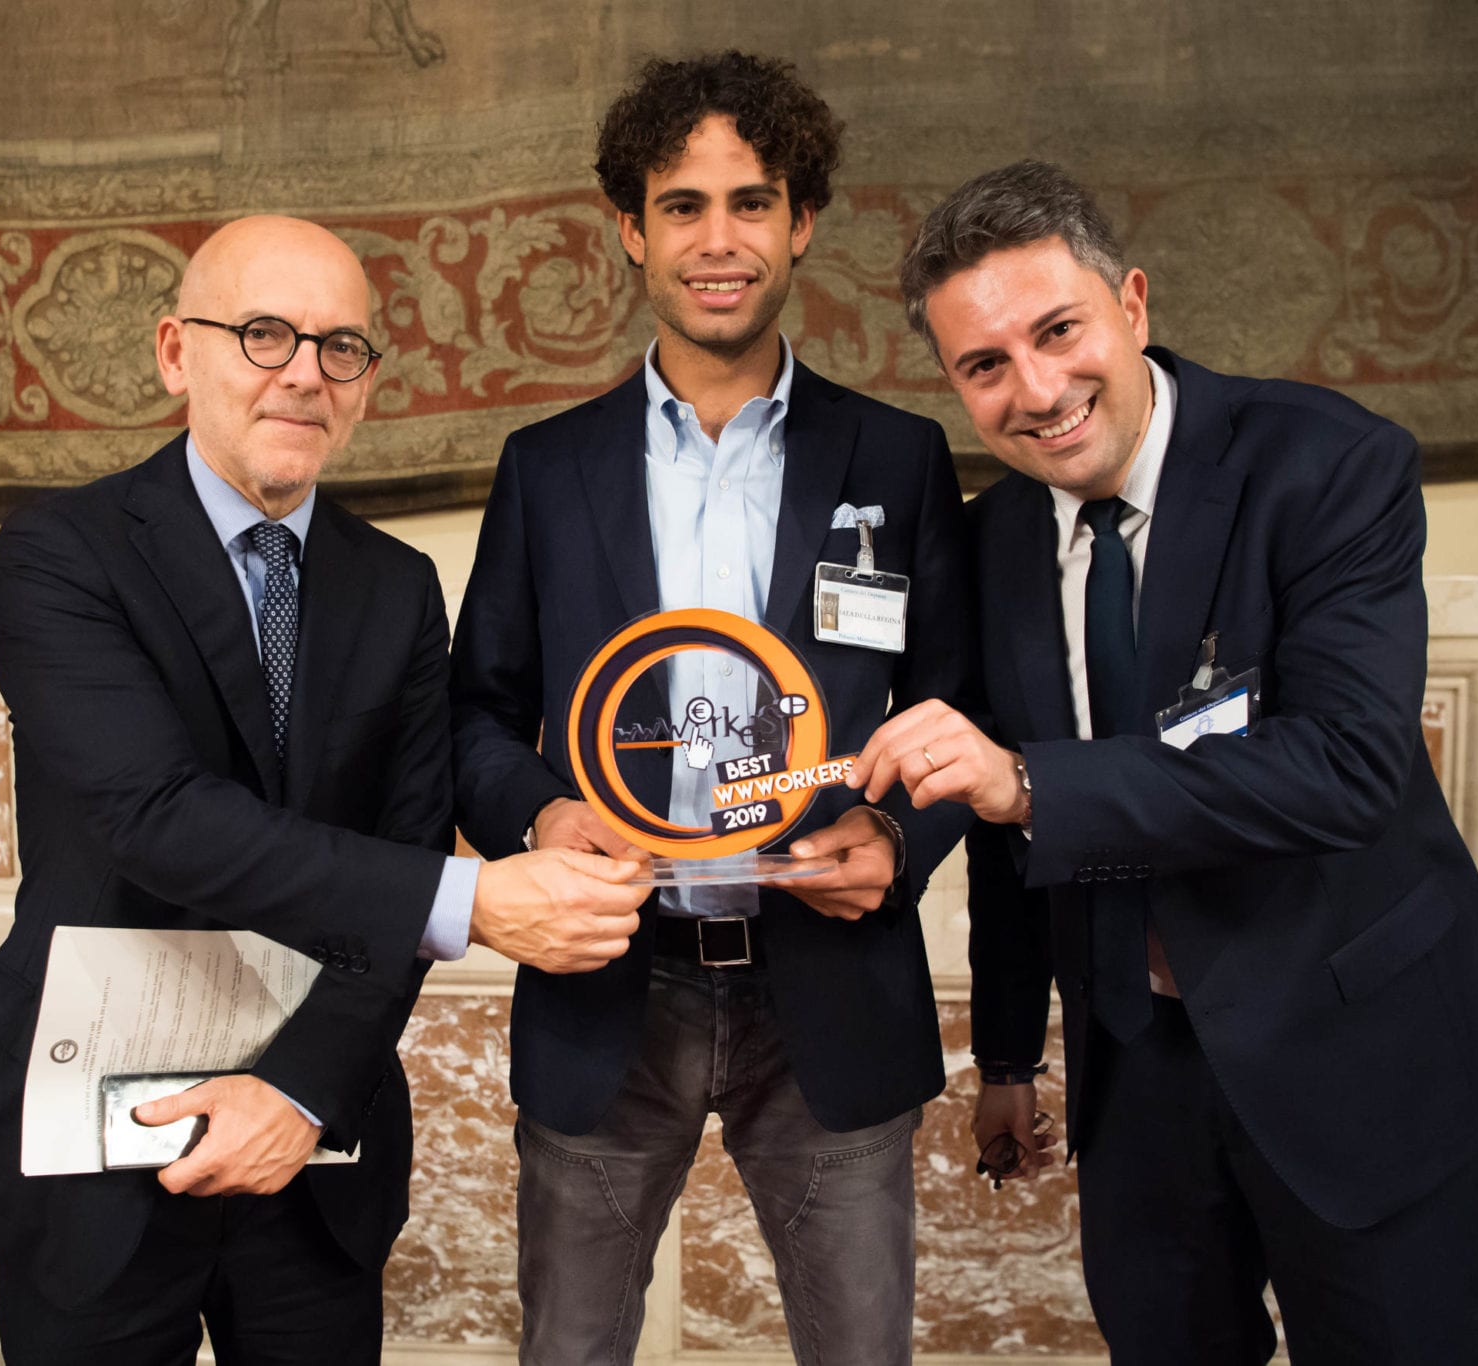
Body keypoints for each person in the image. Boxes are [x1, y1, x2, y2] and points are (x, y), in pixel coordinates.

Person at [0, 215, 647, 1365]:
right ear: (175, 353)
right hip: (94, 1134)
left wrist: (295, 1093)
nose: (305, 371)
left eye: (340, 346)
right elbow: (157, 818)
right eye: (264, 334)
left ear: (364, 382)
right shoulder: (61, 553)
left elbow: (401, 844)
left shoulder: (399, 588)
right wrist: (471, 899)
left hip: (314, 1148)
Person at [853, 161, 1478, 1363]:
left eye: (1057, 331)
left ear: (1130, 304)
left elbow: (1343, 765)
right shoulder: (989, 540)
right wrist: (1009, 1056)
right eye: (983, 365)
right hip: (1137, 1077)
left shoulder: (1326, 465)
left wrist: (1033, 781)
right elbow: (1002, 824)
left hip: (1355, 1056)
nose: (1036, 390)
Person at [448, 53, 974, 1366]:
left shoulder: (898, 458)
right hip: (612, 983)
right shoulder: (546, 469)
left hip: (829, 991)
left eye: (753, 202)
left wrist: (898, 839)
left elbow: (957, 709)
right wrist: (542, 817)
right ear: (632, 230)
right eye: (682, 206)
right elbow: (472, 717)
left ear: (802, 223)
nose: (718, 239)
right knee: (570, 1348)